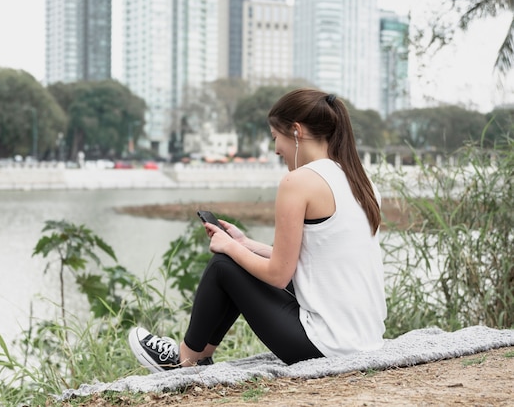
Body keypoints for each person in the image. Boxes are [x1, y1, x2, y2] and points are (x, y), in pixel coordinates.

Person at [128, 88, 387, 372]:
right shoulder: (360, 181)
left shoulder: (299, 181)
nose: (276, 149)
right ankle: (198, 356)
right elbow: (317, 257)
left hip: (326, 347)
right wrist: (246, 243)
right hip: (366, 340)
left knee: (223, 266)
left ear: (296, 131)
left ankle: (183, 360)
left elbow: (278, 275)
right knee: (236, 259)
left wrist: (230, 247)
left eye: (276, 138)